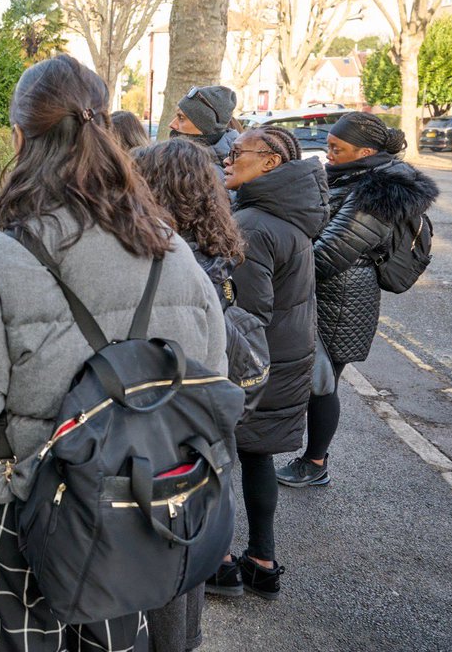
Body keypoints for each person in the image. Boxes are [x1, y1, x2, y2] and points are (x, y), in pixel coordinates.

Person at [0, 56, 227, 652]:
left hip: (25, 511)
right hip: (138, 503)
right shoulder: (174, 252)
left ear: (21, 138)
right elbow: (210, 389)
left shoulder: (0, 259)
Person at [276, 112, 438, 488]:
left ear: (365, 151)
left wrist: (278, 272)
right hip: (337, 295)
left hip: (342, 302)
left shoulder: (376, 193)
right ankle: (313, 459)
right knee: (319, 381)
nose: (328, 153)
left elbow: (329, 253)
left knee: (323, 384)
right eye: (329, 145)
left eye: (337, 148)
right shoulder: (356, 177)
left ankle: (315, 463)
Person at [134, 138, 248, 652]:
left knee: (158, 553)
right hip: (202, 433)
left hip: (162, 429)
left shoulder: (171, 259)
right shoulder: (216, 249)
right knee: (186, 551)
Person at [211, 125, 328, 599]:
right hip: (286, 355)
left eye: (238, 152)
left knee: (219, 457)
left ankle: (219, 566)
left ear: (271, 162)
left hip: (256, 365)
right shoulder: (286, 214)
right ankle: (262, 560)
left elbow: (246, 315)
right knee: (256, 456)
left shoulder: (254, 225)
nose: (227, 158)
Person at [169, 85, 240, 168]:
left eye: (181, 118)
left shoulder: (205, 173)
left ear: (205, 127)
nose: (171, 124)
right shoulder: (188, 161)